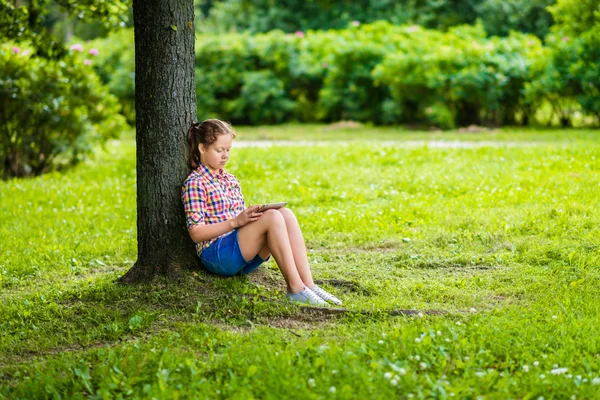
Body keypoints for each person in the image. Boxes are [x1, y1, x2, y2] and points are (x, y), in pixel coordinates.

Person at [182, 119, 342, 306]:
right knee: (272, 217)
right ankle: (295, 289)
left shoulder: (230, 179)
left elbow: (239, 220)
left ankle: (309, 285)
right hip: (217, 255)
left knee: (285, 214)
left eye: (228, 150)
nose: (225, 155)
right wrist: (236, 222)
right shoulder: (196, 182)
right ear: (202, 148)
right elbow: (196, 233)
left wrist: (251, 215)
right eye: (219, 150)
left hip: (241, 254)